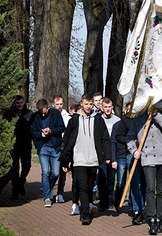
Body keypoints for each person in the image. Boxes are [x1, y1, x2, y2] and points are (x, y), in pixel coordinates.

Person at [59, 93, 112, 225]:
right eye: (86, 104)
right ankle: (85, 214)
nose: (88, 106)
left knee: (89, 186)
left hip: (93, 159)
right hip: (79, 159)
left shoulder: (98, 119)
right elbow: (67, 141)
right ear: (81, 104)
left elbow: (105, 138)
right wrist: (65, 160)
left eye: (90, 104)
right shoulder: (74, 120)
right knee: (82, 186)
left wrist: (108, 155)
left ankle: (86, 207)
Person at [127, 109, 162, 235]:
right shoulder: (139, 119)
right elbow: (130, 137)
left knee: (161, 190)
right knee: (150, 188)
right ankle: (152, 219)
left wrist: (156, 115)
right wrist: (134, 150)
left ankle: (159, 218)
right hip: (147, 159)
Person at [30, 99, 65, 207]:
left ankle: (48, 189)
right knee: (45, 172)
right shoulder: (35, 117)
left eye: (45, 112)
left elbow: (62, 128)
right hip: (43, 148)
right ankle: (47, 197)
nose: (43, 114)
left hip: (55, 147)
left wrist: (51, 131)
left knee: (55, 173)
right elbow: (32, 131)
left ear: (49, 107)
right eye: (41, 112)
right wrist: (40, 134)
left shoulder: (56, 114)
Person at [4, 95, 33, 200]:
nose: (19, 105)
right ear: (14, 104)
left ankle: (21, 182)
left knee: (27, 165)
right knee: (15, 169)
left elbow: (33, 128)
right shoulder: (11, 114)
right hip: (14, 144)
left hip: (26, 144)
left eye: (21, 102)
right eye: (17, 103)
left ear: (24, 102)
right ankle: (15, 190)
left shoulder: (29, 114)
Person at [99, 97, 120, 210]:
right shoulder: (98, 120)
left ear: (112, 107)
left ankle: (110, 199)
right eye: (105, 107)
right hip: (102, 153)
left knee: (112, 178)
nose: (107, 109)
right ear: (102, 108)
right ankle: (103, 200)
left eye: (109, 107)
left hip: (113, 153)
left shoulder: (117, 120)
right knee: (102, 178)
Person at [112, 102, 133, 214]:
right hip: (121, 156)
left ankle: (131, 206)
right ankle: (117, 201)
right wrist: (114, 158)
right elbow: (115, 140)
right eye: (128, 110)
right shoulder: (119, 124)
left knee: (133, 181)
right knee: (120, 182)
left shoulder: (135, 123)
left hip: (131, 154)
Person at [52, 95, 71, 203]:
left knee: (62, 171)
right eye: (57, 104)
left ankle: (60, 193)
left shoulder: (66, 116)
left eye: (61, 104)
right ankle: (50, 190)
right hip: (53, 145)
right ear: (53, 104)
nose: (59, 106)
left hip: (63, 145)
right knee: (53, 171)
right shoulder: (50, 115)